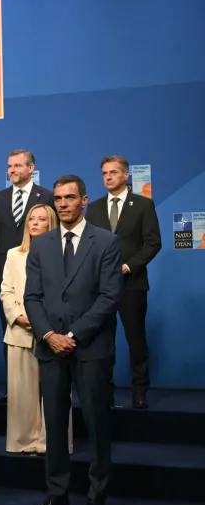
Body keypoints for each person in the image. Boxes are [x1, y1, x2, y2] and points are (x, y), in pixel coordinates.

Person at [25, 175, 121, 505]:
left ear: (84, 200)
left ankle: (97, 496)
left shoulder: (106, 242)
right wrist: (49, 335)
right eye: (58, 199)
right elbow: (31, 297)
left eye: (70, 198)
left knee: (96, 424)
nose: (63, 204)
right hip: (50, 348)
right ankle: (58, 494)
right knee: (54, 424)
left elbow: (110, 297)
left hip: (91, 347)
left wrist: (74, 334)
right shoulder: (41, 244)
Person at [86, 155, 161, 409]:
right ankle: (105, 392)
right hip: (100, 288)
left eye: (113, 172)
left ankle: (139, 391)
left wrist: (129, 267)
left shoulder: (142, 205)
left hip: (132, 285)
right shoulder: (94, 208)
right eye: (104, 173)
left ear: (126, 175)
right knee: (103, 341)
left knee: (136, 340)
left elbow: (153, 243)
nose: (108, 177)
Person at [0, 150, 54, 404]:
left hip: (42, 270)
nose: (11, 170)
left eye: (17, 166)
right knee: (11, 328)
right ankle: (14, 387)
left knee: (43, 329)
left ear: (30, 167)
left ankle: (46, 385)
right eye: (9, 166)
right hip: (7, 271)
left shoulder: (46, 196)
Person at [0, 204, 73, 455]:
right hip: (20, 330)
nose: (34, 223)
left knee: (56, 392)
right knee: (21, 393)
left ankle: (52, 442)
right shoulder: (13, 254)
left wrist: (44, 321)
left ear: (51, 224)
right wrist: (18, 316)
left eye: (41, 219)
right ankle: (23, 440)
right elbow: (6, 290)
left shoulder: (64, 254)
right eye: (31, 219)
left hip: (53, 331)